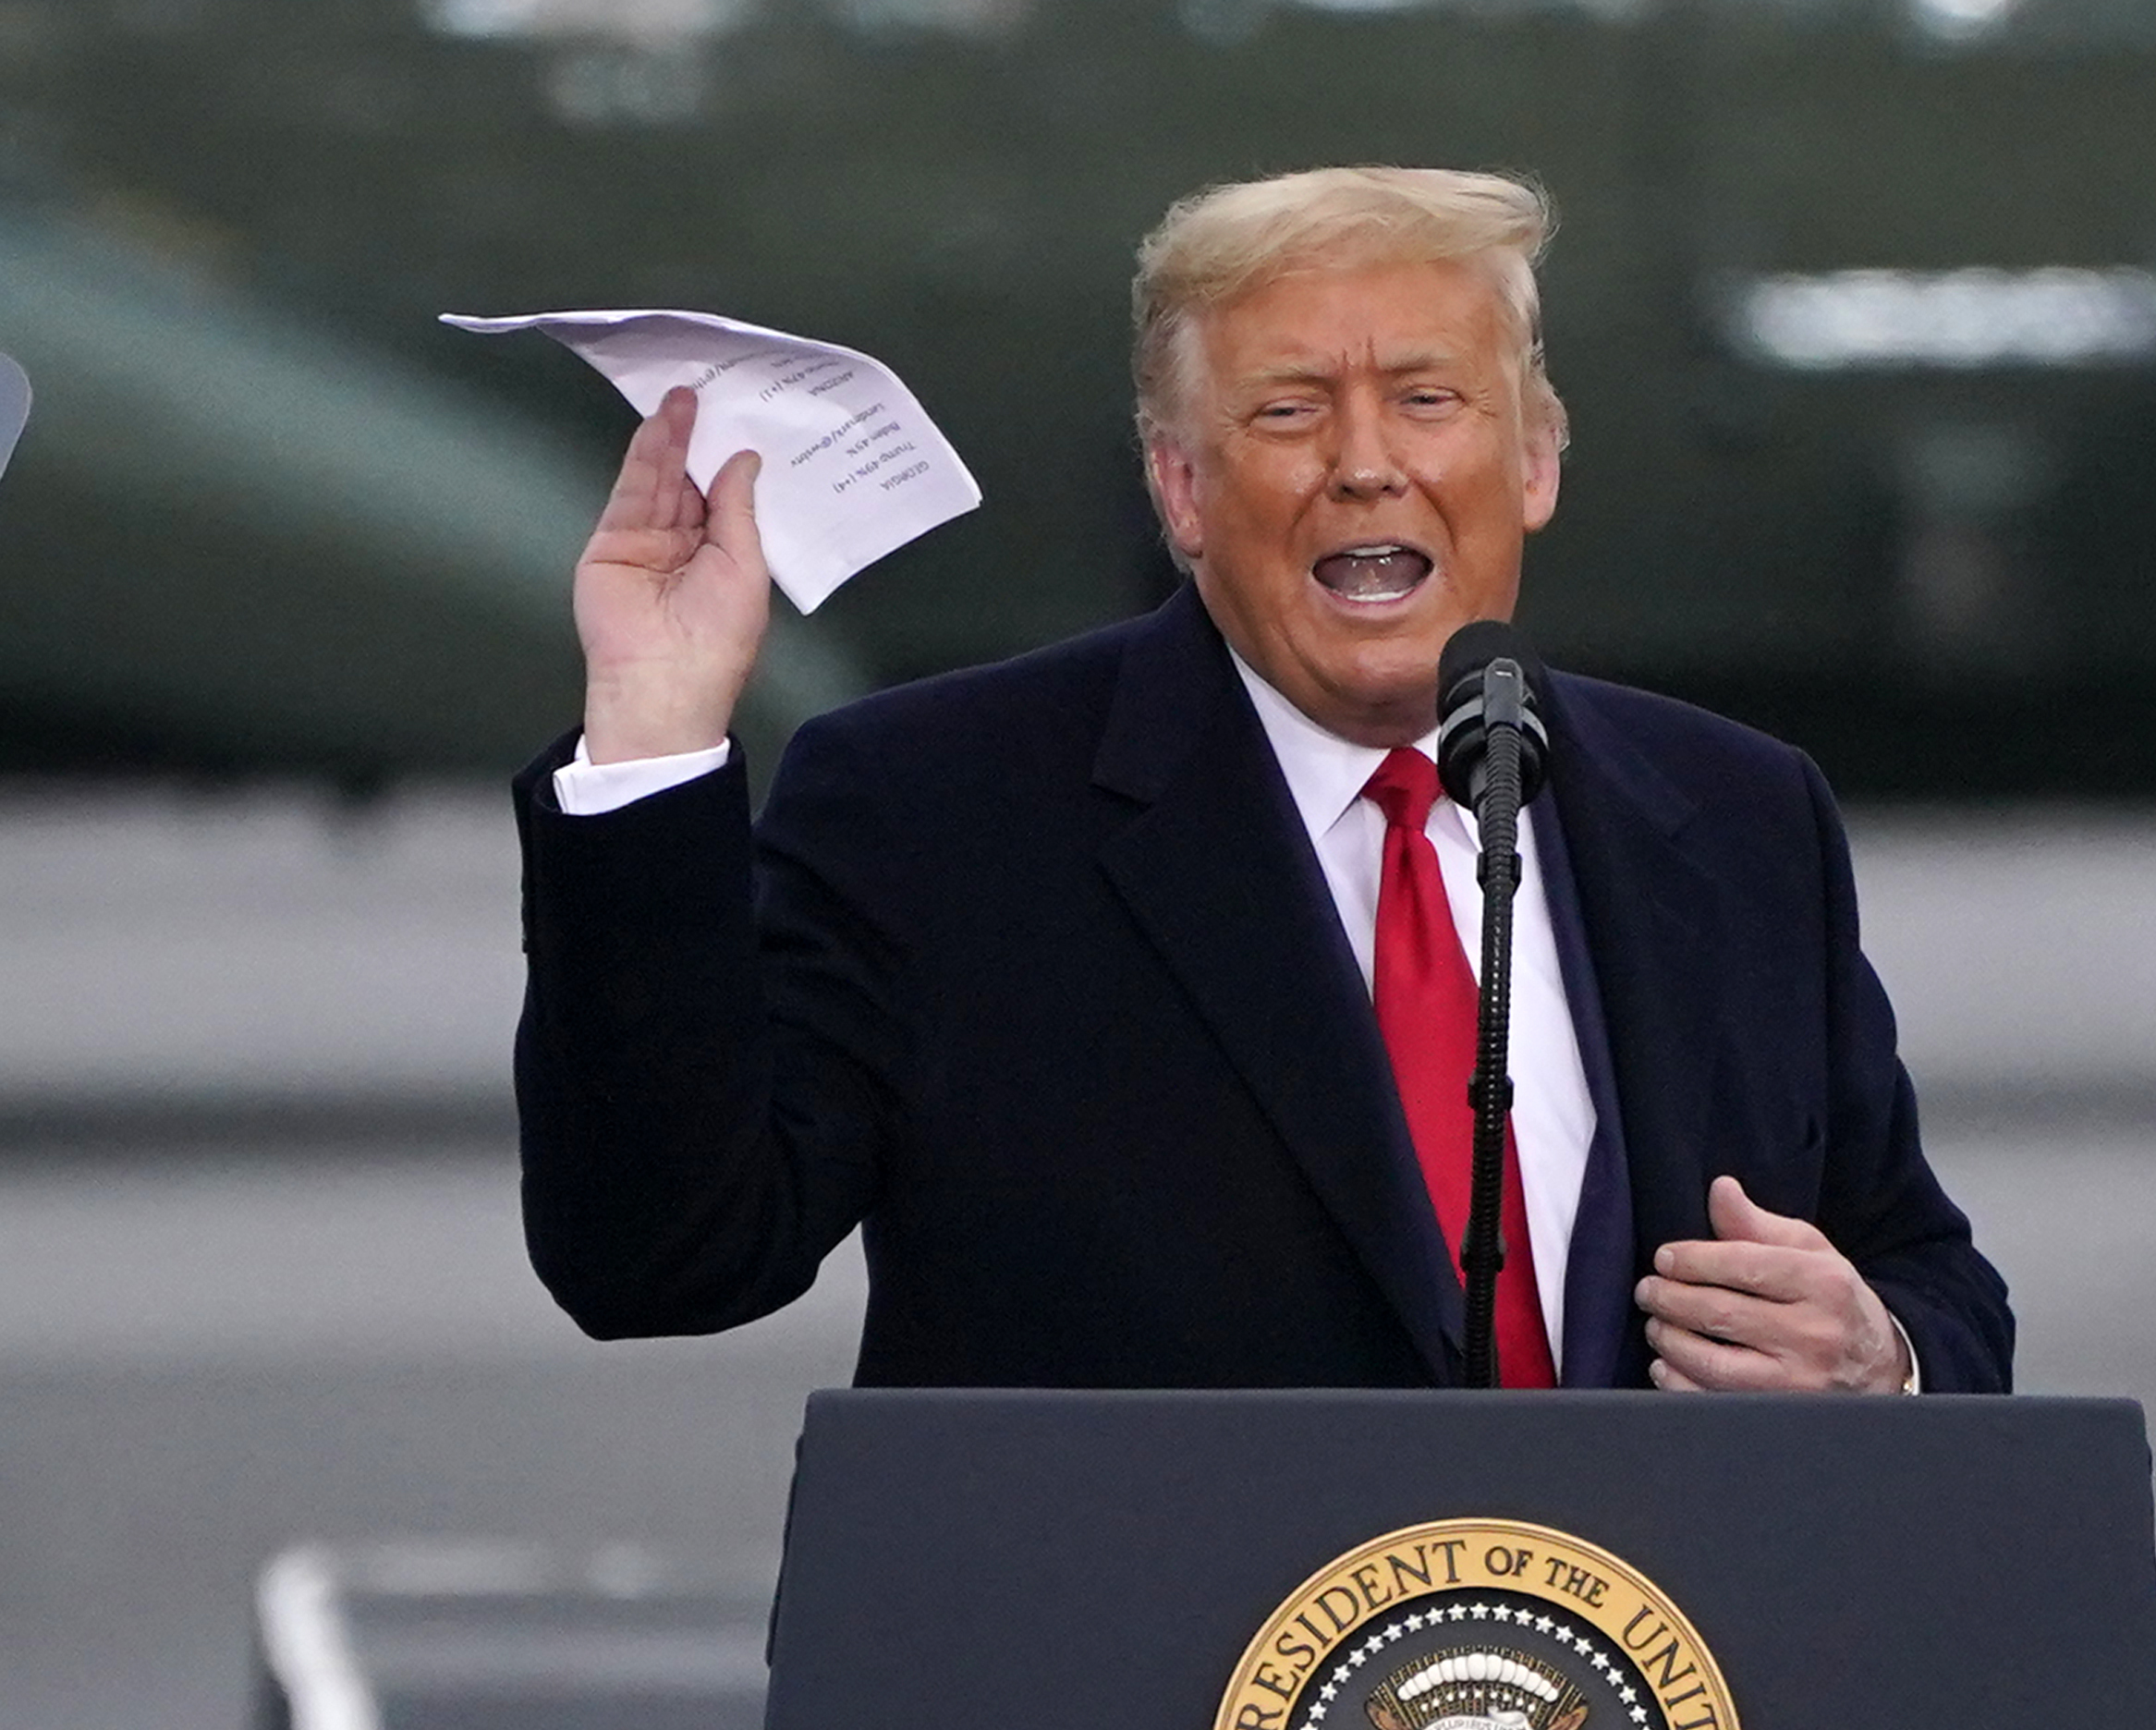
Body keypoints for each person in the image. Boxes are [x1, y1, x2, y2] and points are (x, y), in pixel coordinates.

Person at [513, 166, 2010, 1395]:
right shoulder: (934, 810)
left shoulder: (1739, 818)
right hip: (1119, 1726)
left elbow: (1929, 1276)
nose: (1365, 465)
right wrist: (650, 732)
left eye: (1430, 400)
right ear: (1181, 490)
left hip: (1628, 1727)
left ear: (1537, 462)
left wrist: (1883, 1358)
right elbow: (663, 1256)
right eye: (1289, 411)